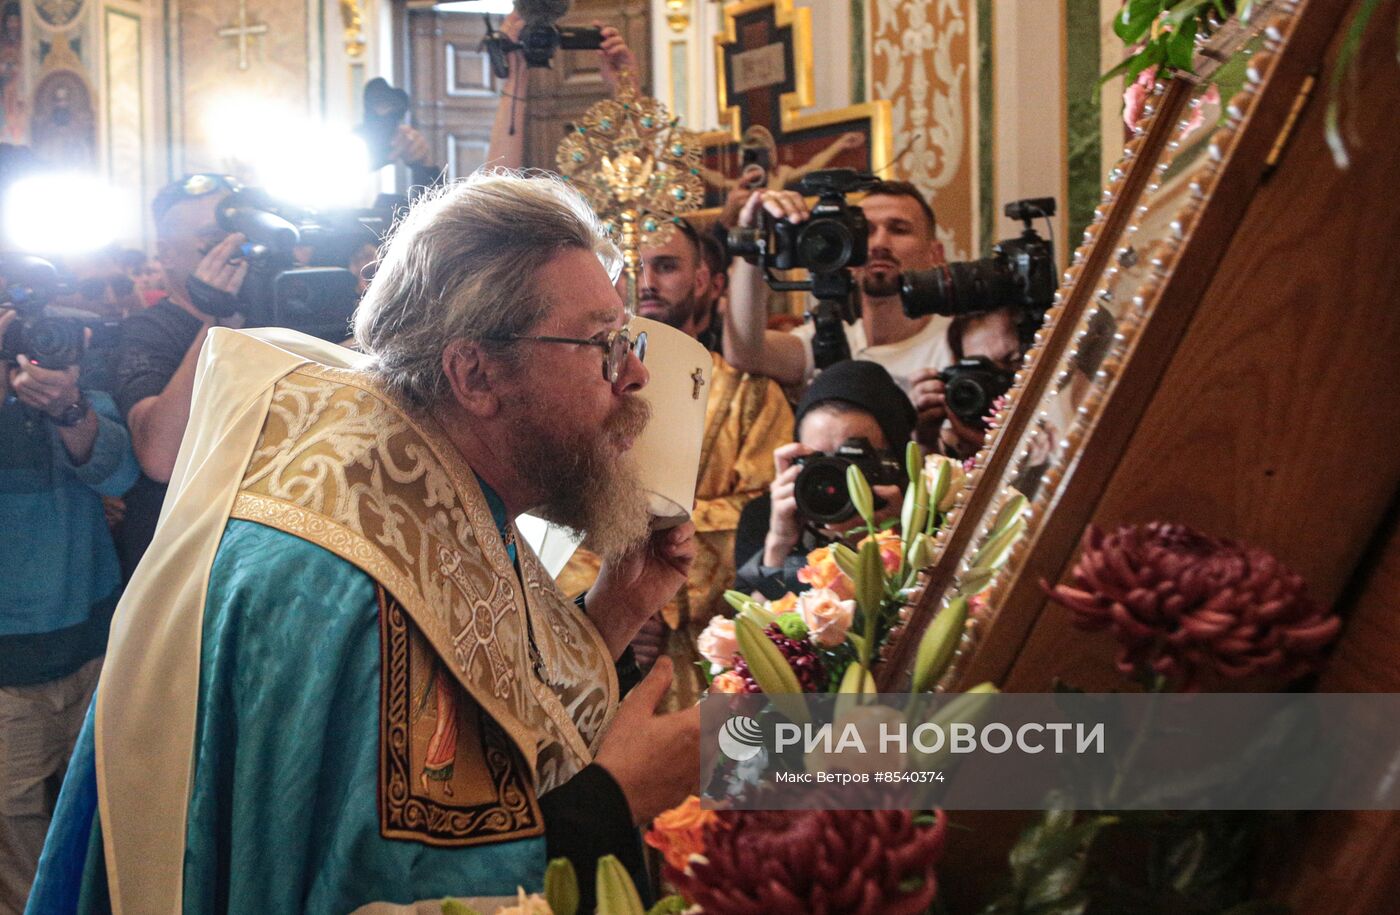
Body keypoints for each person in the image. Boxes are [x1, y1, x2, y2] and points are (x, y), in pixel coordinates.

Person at [28, 172, 701, 913]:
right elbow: (382, 891)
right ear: (475, 373)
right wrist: (617, 799)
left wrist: (615, 609)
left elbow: (500, 721)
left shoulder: (433, 484)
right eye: (603, 344)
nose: (635, 374)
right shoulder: (342, 577)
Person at [556, 217, 792, 708]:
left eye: (665, 267)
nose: (646, 284)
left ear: (705, 280)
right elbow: (554, 513)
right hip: (590, 635)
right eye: (634, 270)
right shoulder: (579, 390)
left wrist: (659, 595)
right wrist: (608, 599)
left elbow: (760, 513)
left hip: (713, 646)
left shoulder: (752, 396)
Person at [0, 310, 138, 912]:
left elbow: (122, 470)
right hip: (7, 678)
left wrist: (67, 405)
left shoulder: (76, 384)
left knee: (105, 816)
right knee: (18, 850)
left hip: (93, 648)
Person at [110, 174, 253, 580]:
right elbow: (161, 457)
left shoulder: (278, 306)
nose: (233, 252)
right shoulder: (146, 331)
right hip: (185, 566)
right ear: (166, 255)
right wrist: (216, 317)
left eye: (237, 237)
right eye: (212, 241)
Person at [723, 181, 955, 406]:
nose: (879, 243)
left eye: (899, 229)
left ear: (935, 254)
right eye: (867, 230)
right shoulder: (830, 341)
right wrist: (752, 243)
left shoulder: (957, 341)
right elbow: (746, 353)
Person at [733, 360, 914, 600]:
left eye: (852, 458)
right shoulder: (764, 516)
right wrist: (779, 544)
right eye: (818, 459)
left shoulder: (925, 513)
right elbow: (753, 631)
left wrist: (894, 539)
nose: (833, 476)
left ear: (893, 463)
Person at [914, 305, 1024, 459]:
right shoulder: (954, 443)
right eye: (980, 371)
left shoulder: (1059, 410)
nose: (993, 380)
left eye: (1012, 361)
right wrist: (926, 442)